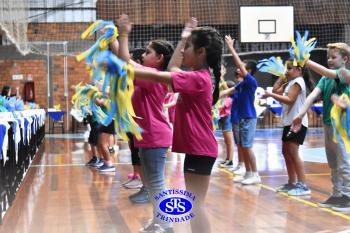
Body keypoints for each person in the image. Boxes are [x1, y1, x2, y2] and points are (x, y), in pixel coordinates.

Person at [119, 17, 222, 233]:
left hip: (201, 149)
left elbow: (147, 73)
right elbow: (174, 65)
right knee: (194, 204)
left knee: (197, 205)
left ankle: (164, 223)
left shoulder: (198, 79)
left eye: (189, 47)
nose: (184, 51)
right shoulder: (197, 77)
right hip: (198, 149)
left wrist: (117, 64)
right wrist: (185, 36)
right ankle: (163, 223)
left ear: (201, 52)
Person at [117, 14, 174, 232]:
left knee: (156, 182)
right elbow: (124, 60)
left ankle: (166, 224)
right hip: (148, 136)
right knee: (150, 183)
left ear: (159, 58)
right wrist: (113, 38)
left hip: (155, 136)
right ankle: (159, 222)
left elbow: (125, 60)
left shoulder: (153, 75)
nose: (144, 54)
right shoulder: (149, 74)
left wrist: (123, 34)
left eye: (148, 52)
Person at [292, 42, 350, 209]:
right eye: (328, 57)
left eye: (334, 57)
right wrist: (300, 113)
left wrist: (305, 61)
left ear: (345, 59)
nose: (330, 60)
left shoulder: (344, 74)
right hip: (328, 124)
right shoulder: (326, 79)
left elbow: (327, 72)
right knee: (332, 162)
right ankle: (337, 194)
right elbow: (312, 96)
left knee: (343, 161)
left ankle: (347, 195)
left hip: (342, 126)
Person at [262, 59, 314, 195]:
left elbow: (290, 100)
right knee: (286, 152)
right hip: (289, 122)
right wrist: (282, 76)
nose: (287, 71)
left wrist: (271, 95)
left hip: (297, 123)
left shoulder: (298, 82)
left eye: (290, 68)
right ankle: (292, 183)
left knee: (293, 152)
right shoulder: (290, 82)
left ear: (299, 70)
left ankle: (303, 185)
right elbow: (275, 90)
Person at [224, 35, 261, 185]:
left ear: (249, 70)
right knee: (243, 147)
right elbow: (226, 92)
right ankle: (248, 173)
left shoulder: (251, 82)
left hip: (248, 118)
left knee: (247, 146)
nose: (239, 69)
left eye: (243, 67)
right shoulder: (241, 85)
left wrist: (232, 48)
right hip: (241, 118)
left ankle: (255, 174)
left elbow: (239, 64)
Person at [217, 66, 234, 169]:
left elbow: (225, 87)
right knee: (226, 141)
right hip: (223, 118)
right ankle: (228, 159)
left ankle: (230, 160)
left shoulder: (230, 97)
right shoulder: (225, 97)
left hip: (227, 118)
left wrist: (221, 76)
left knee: (229, 141)